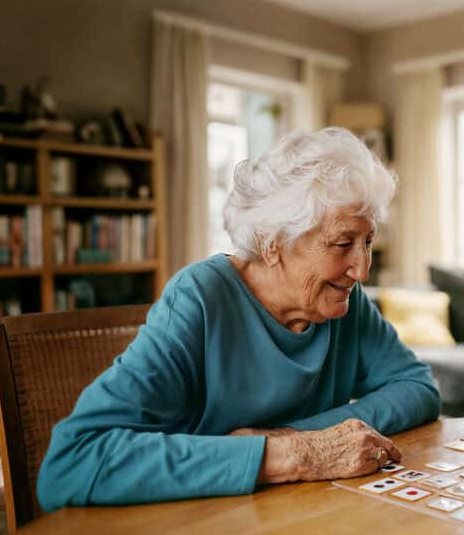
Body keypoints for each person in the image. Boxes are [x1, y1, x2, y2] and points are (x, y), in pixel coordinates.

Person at [38, 128, 440, 510]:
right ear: (272, 243)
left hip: (304, 517)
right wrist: (289, 455)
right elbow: (71, 463)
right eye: (342, 243)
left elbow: (418, 389)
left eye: (367, 241)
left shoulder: (342, 302)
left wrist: (297, 438)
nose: (362, 269)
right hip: (203, 528)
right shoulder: (200, 299)